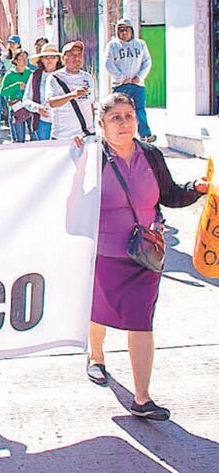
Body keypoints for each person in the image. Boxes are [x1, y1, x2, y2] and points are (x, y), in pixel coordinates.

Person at [82, 93, 208, 420]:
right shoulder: (91, 158)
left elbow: (170, 195)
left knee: (140, 319)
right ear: (102, 124)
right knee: (100, 310)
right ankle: (96, 356)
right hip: (104, 254)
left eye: (129, 116)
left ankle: (142, 398)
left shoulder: (150, 155)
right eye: (116, 118)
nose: (124, 123)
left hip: (145, 255)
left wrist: (196, 188)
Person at [104, 17, 155, 142]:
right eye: (121, 30)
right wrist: (121, 78)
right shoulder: (112, 45)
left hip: (138, 85)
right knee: (119, 112)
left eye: (127, 29)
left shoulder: (140, 44)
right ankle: (119, 135)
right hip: (120, 85)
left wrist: (139, 77)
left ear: (132, 30)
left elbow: (147, 62)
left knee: (140, 110)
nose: (124, 32)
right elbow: (108, 64)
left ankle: (145, 135)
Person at [46, 40, 95, 140]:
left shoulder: (88, 77)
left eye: (79, 55)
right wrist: (73, 95)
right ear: (63, 58)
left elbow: (90, 104)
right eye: (72, 55)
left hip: (86, 135)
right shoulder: (55, 77)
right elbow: (52, 102)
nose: (77, 58)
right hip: (63, 136)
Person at [23, 44, 62, 141]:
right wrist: (37, 108)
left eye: (53, 57)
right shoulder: (36, 76)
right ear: (41, 60)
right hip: (43, 123)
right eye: (46, 57)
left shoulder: (64, 75)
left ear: (58, 59)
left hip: (63, 123)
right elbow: (26, 99)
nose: (49, 60)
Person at [1, 50, 32, 143]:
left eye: (25, 57)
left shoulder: (30, 73)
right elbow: (2, 92)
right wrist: (16, 86)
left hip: (29, 106)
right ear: (15, 60)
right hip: (16, 107)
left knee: (34, 135)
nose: (24, 59)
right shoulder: (9, 74)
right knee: (19, 138)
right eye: (21, 57)